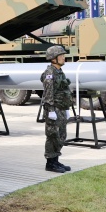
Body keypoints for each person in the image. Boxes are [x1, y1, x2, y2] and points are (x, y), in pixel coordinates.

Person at [40, 45, 74, 173]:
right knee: (52, 136)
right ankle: (50, 163)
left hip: (61, 108)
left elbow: (64, 90)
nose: (64, 57)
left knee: (61, 136)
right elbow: (48, 93)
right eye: (61, 55)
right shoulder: (50, 73)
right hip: (53, 109)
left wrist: (66, 108)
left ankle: (56, 160)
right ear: (53, 58)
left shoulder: (59, 72)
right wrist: (51, 111)